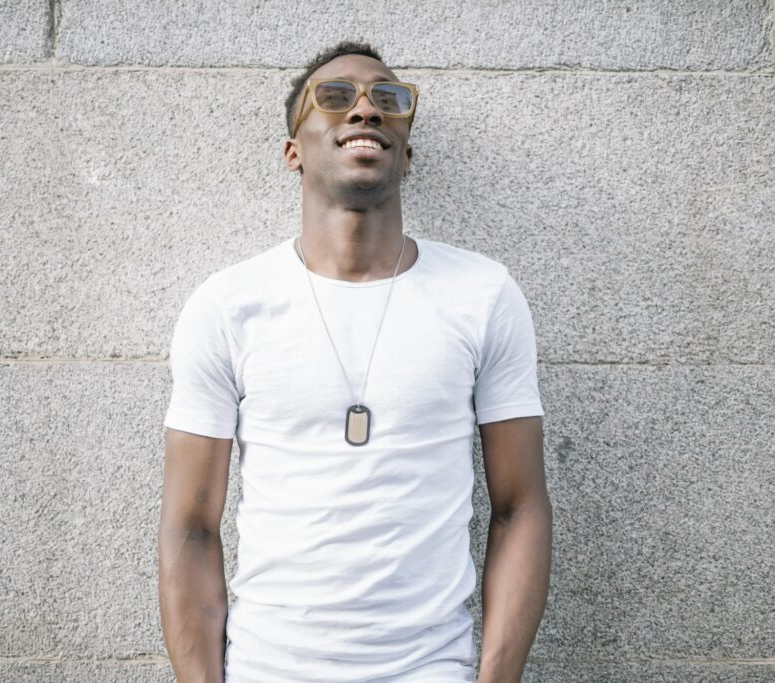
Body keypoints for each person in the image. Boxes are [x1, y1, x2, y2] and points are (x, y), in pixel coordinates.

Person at [158, 40, 552, 683]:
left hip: (432, 670)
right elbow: (189, 526)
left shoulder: (482, 296)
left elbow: (520, 506)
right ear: (294, 151)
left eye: (388, 101)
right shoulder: (229, 305)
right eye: (336, 98)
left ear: (408, 152)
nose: (365, 110)